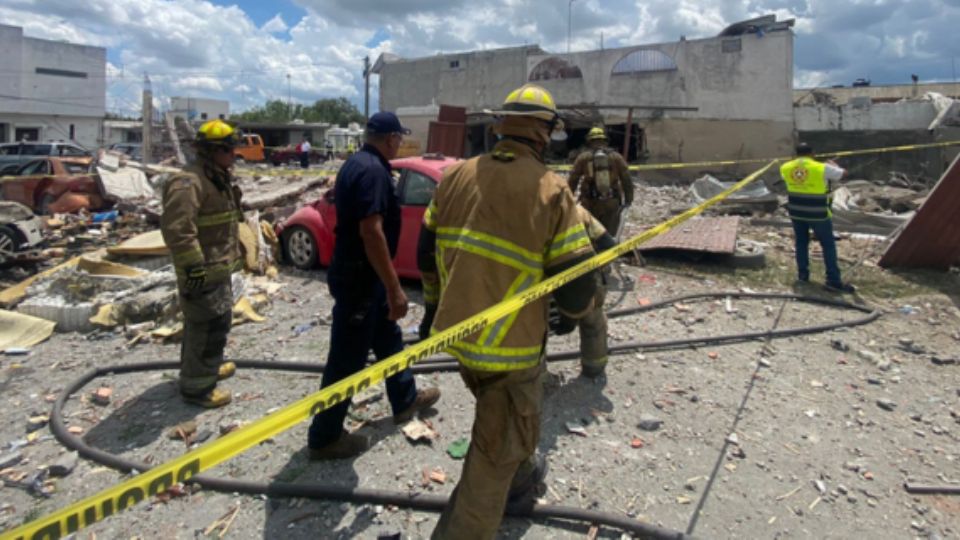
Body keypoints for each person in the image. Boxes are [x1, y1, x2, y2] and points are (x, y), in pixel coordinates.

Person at [418, 84, 598, 539]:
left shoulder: (455, 176)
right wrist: (576, 315)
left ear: (502, 124)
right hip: (512, 352)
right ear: (545, 132)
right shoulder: (550, 190)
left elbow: (425, 249)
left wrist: (434, 304)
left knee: (507, 423)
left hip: (460, 338)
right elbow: (577, 288)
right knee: (491, 459)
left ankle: (520, 485)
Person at [307, 111, 441, 460]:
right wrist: (395, 287)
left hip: (363, 277)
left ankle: (405, 398)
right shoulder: (372, 172)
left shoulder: (360, 163)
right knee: (346, 360)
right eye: (400, 138)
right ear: (391, 138)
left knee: (388, 337)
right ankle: (325, 437)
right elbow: (372, 232)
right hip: (361, 280)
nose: (400, 143)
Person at [160, 119, 244, 408]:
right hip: (200, 270)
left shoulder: (215, 177)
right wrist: (192, 268)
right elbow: (178, 228)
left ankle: (206, 368)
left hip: (215, 267)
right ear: (213, 151)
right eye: (230, 150)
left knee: (218, 321)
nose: (235, 155)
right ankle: (197, 388)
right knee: (205, 325)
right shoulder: (189, 182)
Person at [780, 143, 855, 293]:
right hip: (818, 212)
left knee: (801, 242)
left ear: (796, 154)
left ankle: (803, 276)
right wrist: (834, 165)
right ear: (812, 153)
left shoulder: (785, 167)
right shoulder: (821, 167)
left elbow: (796, 177)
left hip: (796, 211)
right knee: (828, 245)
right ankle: (833, 280)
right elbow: (843, 174)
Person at [567, 127, 634, 235]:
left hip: (589, 202)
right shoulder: (616, 157)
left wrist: (568, 200)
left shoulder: (583, 157)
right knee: (610, 235)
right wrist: (628, 200)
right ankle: (610, 251)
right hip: (611, 202)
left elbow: (573, 180)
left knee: (590, 235)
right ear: (605, 140)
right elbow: (626, 179)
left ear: (589, 140)